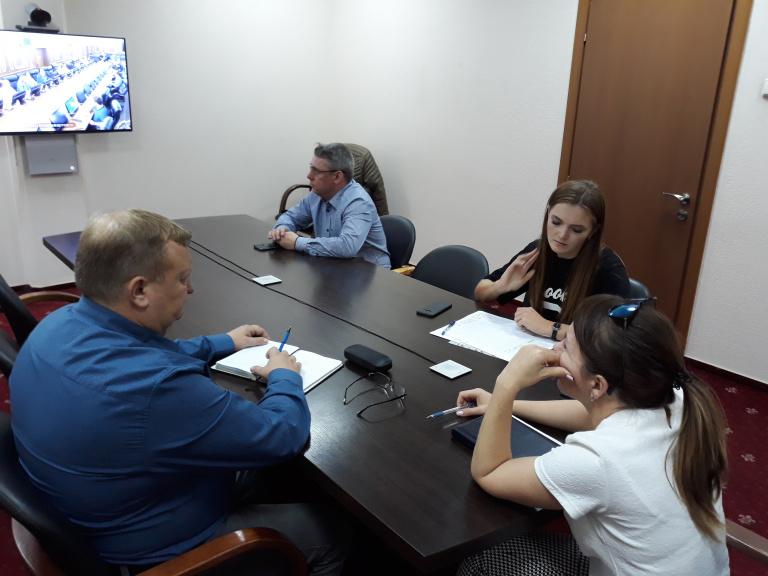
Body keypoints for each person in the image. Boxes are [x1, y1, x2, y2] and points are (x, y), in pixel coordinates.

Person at [9, 209, 347, 575]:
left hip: (102, 501)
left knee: (289, 479)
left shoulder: (57, 324)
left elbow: (142, 353)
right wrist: (284, 376)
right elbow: (285, 436)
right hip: (160, 547)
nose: (191, 290)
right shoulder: (157, 389)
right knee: (335, 533)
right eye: (182, 279)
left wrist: (223, 342)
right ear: (139, 291)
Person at [455, 294, 729, 575]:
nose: (555, 348)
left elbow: (490, 472)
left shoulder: (597, 459)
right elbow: (589, 414)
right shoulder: (676, 399)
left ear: (597, 385)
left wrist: (507, 384)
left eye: (566, 346)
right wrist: (504, 406)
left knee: (480, 560)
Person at [474, 180, 629, 341]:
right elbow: (480, 291)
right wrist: (500, 286)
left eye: (576, 230)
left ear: (593, 231)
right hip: (527, 345)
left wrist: (550, 328)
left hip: (570, 354)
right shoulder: (537, 251)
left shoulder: (608, 268)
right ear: (548, 214)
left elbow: (616, 333)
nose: (562, 235)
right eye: (556, 222)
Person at [269, 142, 391, 268]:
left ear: (337, 177)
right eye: (311, 167)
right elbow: (291, 216)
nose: (309, 176)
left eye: (316, 171)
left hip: (371, 272)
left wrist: (297, 242)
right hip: (335, 265)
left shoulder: (358, 202)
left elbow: (347, 246)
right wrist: (282, 229)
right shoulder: (316, 194)